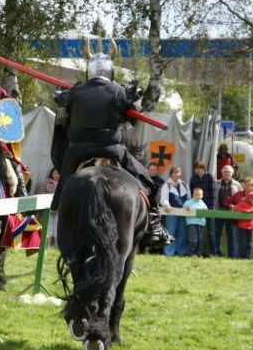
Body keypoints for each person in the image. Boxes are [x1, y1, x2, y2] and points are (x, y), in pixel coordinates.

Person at [49, 38, 170, 245]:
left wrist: (66, 97)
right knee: (148, 182)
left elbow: (62, 119)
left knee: (63, 189)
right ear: (111, 71)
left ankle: (57, 209)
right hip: (111, 149)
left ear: (89, 71)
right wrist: (134, 99)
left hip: (77, 151)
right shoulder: (118, 91)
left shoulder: (75, 91)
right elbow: (132, 119)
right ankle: (154, 225)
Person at [230, 178, 253, 260]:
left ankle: (249, 258)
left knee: (251, 242)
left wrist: (252, 210)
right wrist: (246, 211)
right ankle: (242, 257)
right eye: (247, 185)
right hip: (242, 225)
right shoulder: (243, 201)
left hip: (252, 226)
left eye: (251, 185)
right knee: (243, 242)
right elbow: (236, 208)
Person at [160, 166, 190, 256]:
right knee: (171, 233)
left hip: (183, 213)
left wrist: (188, 205)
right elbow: (163, 198)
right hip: (171, 213)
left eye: (178, 172)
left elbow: (189, 198)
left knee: (182, 233)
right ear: (171, 174)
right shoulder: (167, 185)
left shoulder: (184, 185)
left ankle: (181, 252)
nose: (176, 174)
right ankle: (169, 253)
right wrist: (166, 204)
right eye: (175, 173)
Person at [214, 165, 242, 258]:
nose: (227, 173)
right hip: (219, 211)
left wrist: (236, 207)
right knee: (217, 233)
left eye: (228, 172)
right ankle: (217, 253)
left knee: (232, 234)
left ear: (232, 173)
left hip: (231, 212)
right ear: (222, 173)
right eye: (225, 171)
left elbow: (241, 198)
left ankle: (232, 255)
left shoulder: (237, 184)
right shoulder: (216, 183)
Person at [189, 160, 215, 256]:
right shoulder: (193, 178)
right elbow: (192, 193)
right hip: (197, 208)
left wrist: (211, 207)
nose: (197, 170)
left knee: (211, 232)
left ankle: (212, 252)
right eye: (196, 168)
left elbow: (213, 193)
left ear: (203, 168)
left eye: (199, 168)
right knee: (199, 232)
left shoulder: (209, 177)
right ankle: (200, 252)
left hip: (208, 208)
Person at [37, 168, 60, 248]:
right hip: (49, 208)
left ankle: (57, 245)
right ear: (52, 174)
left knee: (57, 226)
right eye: (55, 173)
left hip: (59, 209)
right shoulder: (46, 182)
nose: (57, 175)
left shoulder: (64, 183)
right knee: (48, 226)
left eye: (58, 173)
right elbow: (41, 194)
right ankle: (48, 244)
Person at [184, 187, 208, 257]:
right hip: (191, 223)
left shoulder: (203, 203)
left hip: (201, 224)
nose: (197, 196)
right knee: (193, 240)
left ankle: (199, 254)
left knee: (200, 240)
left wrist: (205, 211)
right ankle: (191, 253)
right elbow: (184, 208)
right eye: (196, 195)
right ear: (193, 195)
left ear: (202, 195)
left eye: (199, 195)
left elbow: (206, 211)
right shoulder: (188, 202)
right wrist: (187, 208)